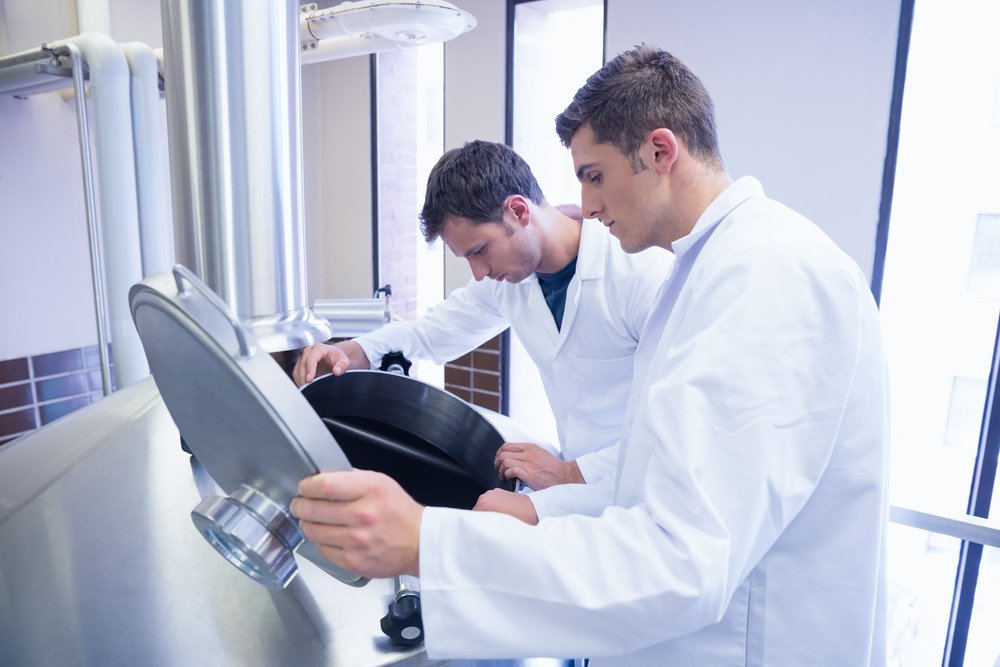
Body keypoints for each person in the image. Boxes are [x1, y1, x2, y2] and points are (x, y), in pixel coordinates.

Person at [291, 45, 889, 666]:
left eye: (594, 175)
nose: (588, 204)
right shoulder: (707, 272)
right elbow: (650, 472)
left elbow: (680, 559)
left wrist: (430, 541)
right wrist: (536, 512)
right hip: (641, 608)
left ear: (661, 152)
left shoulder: (765, 279)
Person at [293, 140, 671, 504]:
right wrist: (348, 351)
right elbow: (429, 334)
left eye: (479, 251)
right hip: (577, 488)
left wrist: (572, 473)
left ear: (518, 212)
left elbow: (673, 425)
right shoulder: (511, 283)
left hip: (646, 491)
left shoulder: (642, 273)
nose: (478, 273)